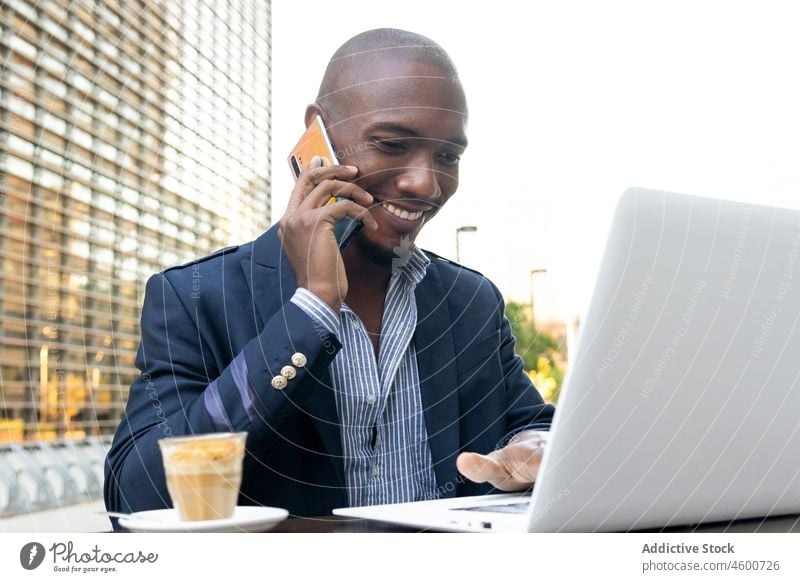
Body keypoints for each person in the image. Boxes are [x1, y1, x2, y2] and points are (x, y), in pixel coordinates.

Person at [104, 28, 555, 522]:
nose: (425, 182)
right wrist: (310, 310)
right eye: (392, 144)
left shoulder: (471, 302)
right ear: (317, 135)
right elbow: (137, 495)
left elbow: (531, 426)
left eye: (448, 156)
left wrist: (535, 447)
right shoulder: (193, 299)